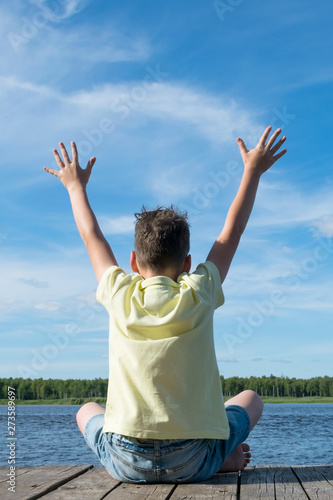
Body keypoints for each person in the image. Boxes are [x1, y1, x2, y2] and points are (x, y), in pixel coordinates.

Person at [44, 126, 287, 483]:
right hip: (193, 458)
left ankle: (213, 454)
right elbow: (230, 234)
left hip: (126, 463)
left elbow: (91, 236)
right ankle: (217, 456)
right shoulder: (199, 291)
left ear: (132, 262)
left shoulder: (118, 292)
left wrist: (74, 186)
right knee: (251, 399)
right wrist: (252, 171)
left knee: (86, 410)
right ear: (187, 264)